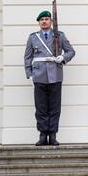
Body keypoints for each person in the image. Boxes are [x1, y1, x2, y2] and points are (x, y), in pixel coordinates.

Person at [24, 10, 75, 146]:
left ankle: (52, 135)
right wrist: (29, 74)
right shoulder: (33, 37)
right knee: (40, 108)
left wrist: (63, 58)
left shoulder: (59, 35)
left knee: (54, 107)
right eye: (42, 20)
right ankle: (42, 135)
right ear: (39, 22)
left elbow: (71, 51)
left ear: (51, 21)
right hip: (39, 75)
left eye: (47, 19)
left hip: (55, 75)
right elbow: (28, 57)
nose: (44, 21)